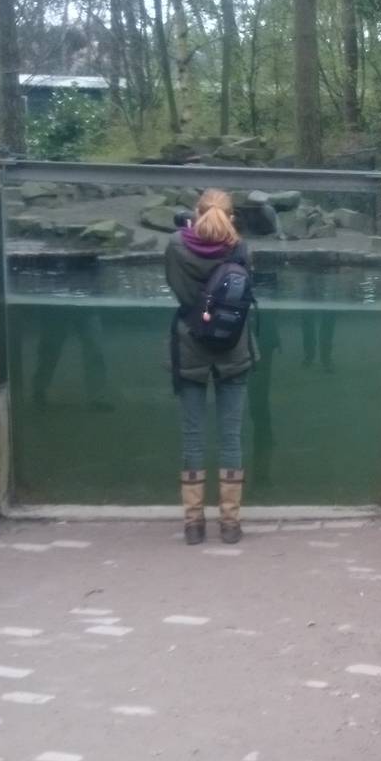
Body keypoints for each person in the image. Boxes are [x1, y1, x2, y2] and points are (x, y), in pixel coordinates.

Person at [165, 189, 254, 545]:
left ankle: (193, 524)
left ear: (195, 213)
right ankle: (230, 524)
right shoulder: (241, 249)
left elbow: (176, 289)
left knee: (192, 435)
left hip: (189, 345)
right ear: (230, 217)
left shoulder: (175, 246)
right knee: (230, 436)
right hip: (234, 348)